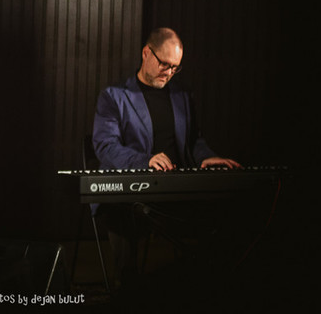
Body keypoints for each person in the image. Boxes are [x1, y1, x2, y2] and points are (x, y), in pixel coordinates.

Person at [91, 27, 241, 289]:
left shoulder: (182, 95)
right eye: (164, 64)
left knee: (225, 211)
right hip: (134, 193)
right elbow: (105, 146)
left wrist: (206, 158)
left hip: (173, 190)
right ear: (146, 53)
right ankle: (127, 287)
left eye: (175, 67)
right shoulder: (114, 96)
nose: (169, 72)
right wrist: (145, 160)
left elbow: (194, 141)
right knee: (120, 209)